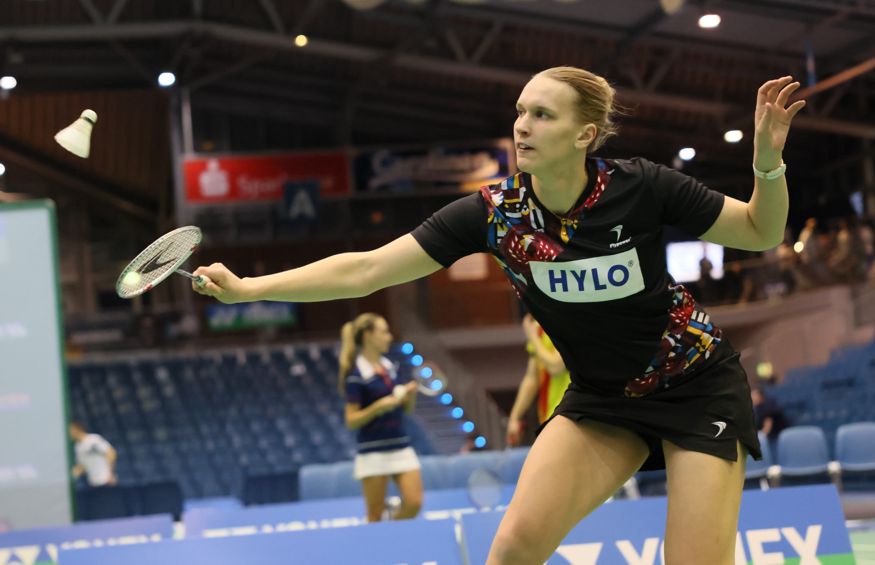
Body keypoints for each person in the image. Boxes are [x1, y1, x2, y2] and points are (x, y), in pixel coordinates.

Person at [192, 67, 805, 564]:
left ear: (586, 134)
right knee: (511, 550)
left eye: (542, 114)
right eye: (520, 111)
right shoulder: (496, 214)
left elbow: (760, 230)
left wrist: (767, 163)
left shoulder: (642, 186)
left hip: (697, 388)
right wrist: (249, 289)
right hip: (602, 402)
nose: (522, 125)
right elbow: (368, 268)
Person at [337, 313, 423, 522]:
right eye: (384, 332)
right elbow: (351, 420)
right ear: (367, 335)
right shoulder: (356, 376)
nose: (389, 337)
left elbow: (407, 410)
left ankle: (393, 526)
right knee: (374, 516)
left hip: (400, 445)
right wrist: (377, 407)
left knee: (414, 504)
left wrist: (409, 397)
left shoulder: (390, 368)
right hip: (372, 451)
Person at [506, 314, 570, 447]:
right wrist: (514, 417)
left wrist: (533, 337)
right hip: (549, 417)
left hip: (571, 414)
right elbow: (532, 378)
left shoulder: (570, 321)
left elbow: (556, 366)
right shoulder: (540, 328)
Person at [69, 421, 118, 487]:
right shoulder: (77, 447)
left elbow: (111, 453)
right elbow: (83, 467)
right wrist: (72, 474)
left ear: (75, 429)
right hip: (93, 484)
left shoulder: (93, 439)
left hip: (106, 482)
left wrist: (110, 474)